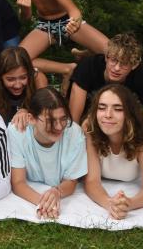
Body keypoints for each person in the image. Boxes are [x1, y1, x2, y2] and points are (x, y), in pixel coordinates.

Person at [68, 32, 143, 181]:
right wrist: (71, 159)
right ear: (106, 57)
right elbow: (73, 118)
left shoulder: (141, 75)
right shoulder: (88, 67)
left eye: (124, 64)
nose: (117, 68)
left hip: (118, 123)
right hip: (88, 122)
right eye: (113, 60)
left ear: (134, 65)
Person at [7, 87, 87, 219]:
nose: (59, 126)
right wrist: (44, 203)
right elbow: (18, 182)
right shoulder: (17, 131)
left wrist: (57, 192)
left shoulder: (74, 133)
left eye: (63, 119)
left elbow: (71, 181)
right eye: (50, 121)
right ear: (31, 119)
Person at [83, 84, 143, 219]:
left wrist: (129, 203)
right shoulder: (90, 128)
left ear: (129, 113)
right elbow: (92, 181)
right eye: (102, 108)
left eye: (118, 109)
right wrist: (109, 203)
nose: (108, 115)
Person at [0, 47, 48, 124]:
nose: (18, 85)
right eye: (10, 79)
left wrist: (27, 111)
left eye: (23, 78)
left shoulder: (37, 78)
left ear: (30, 73)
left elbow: (44, 110)